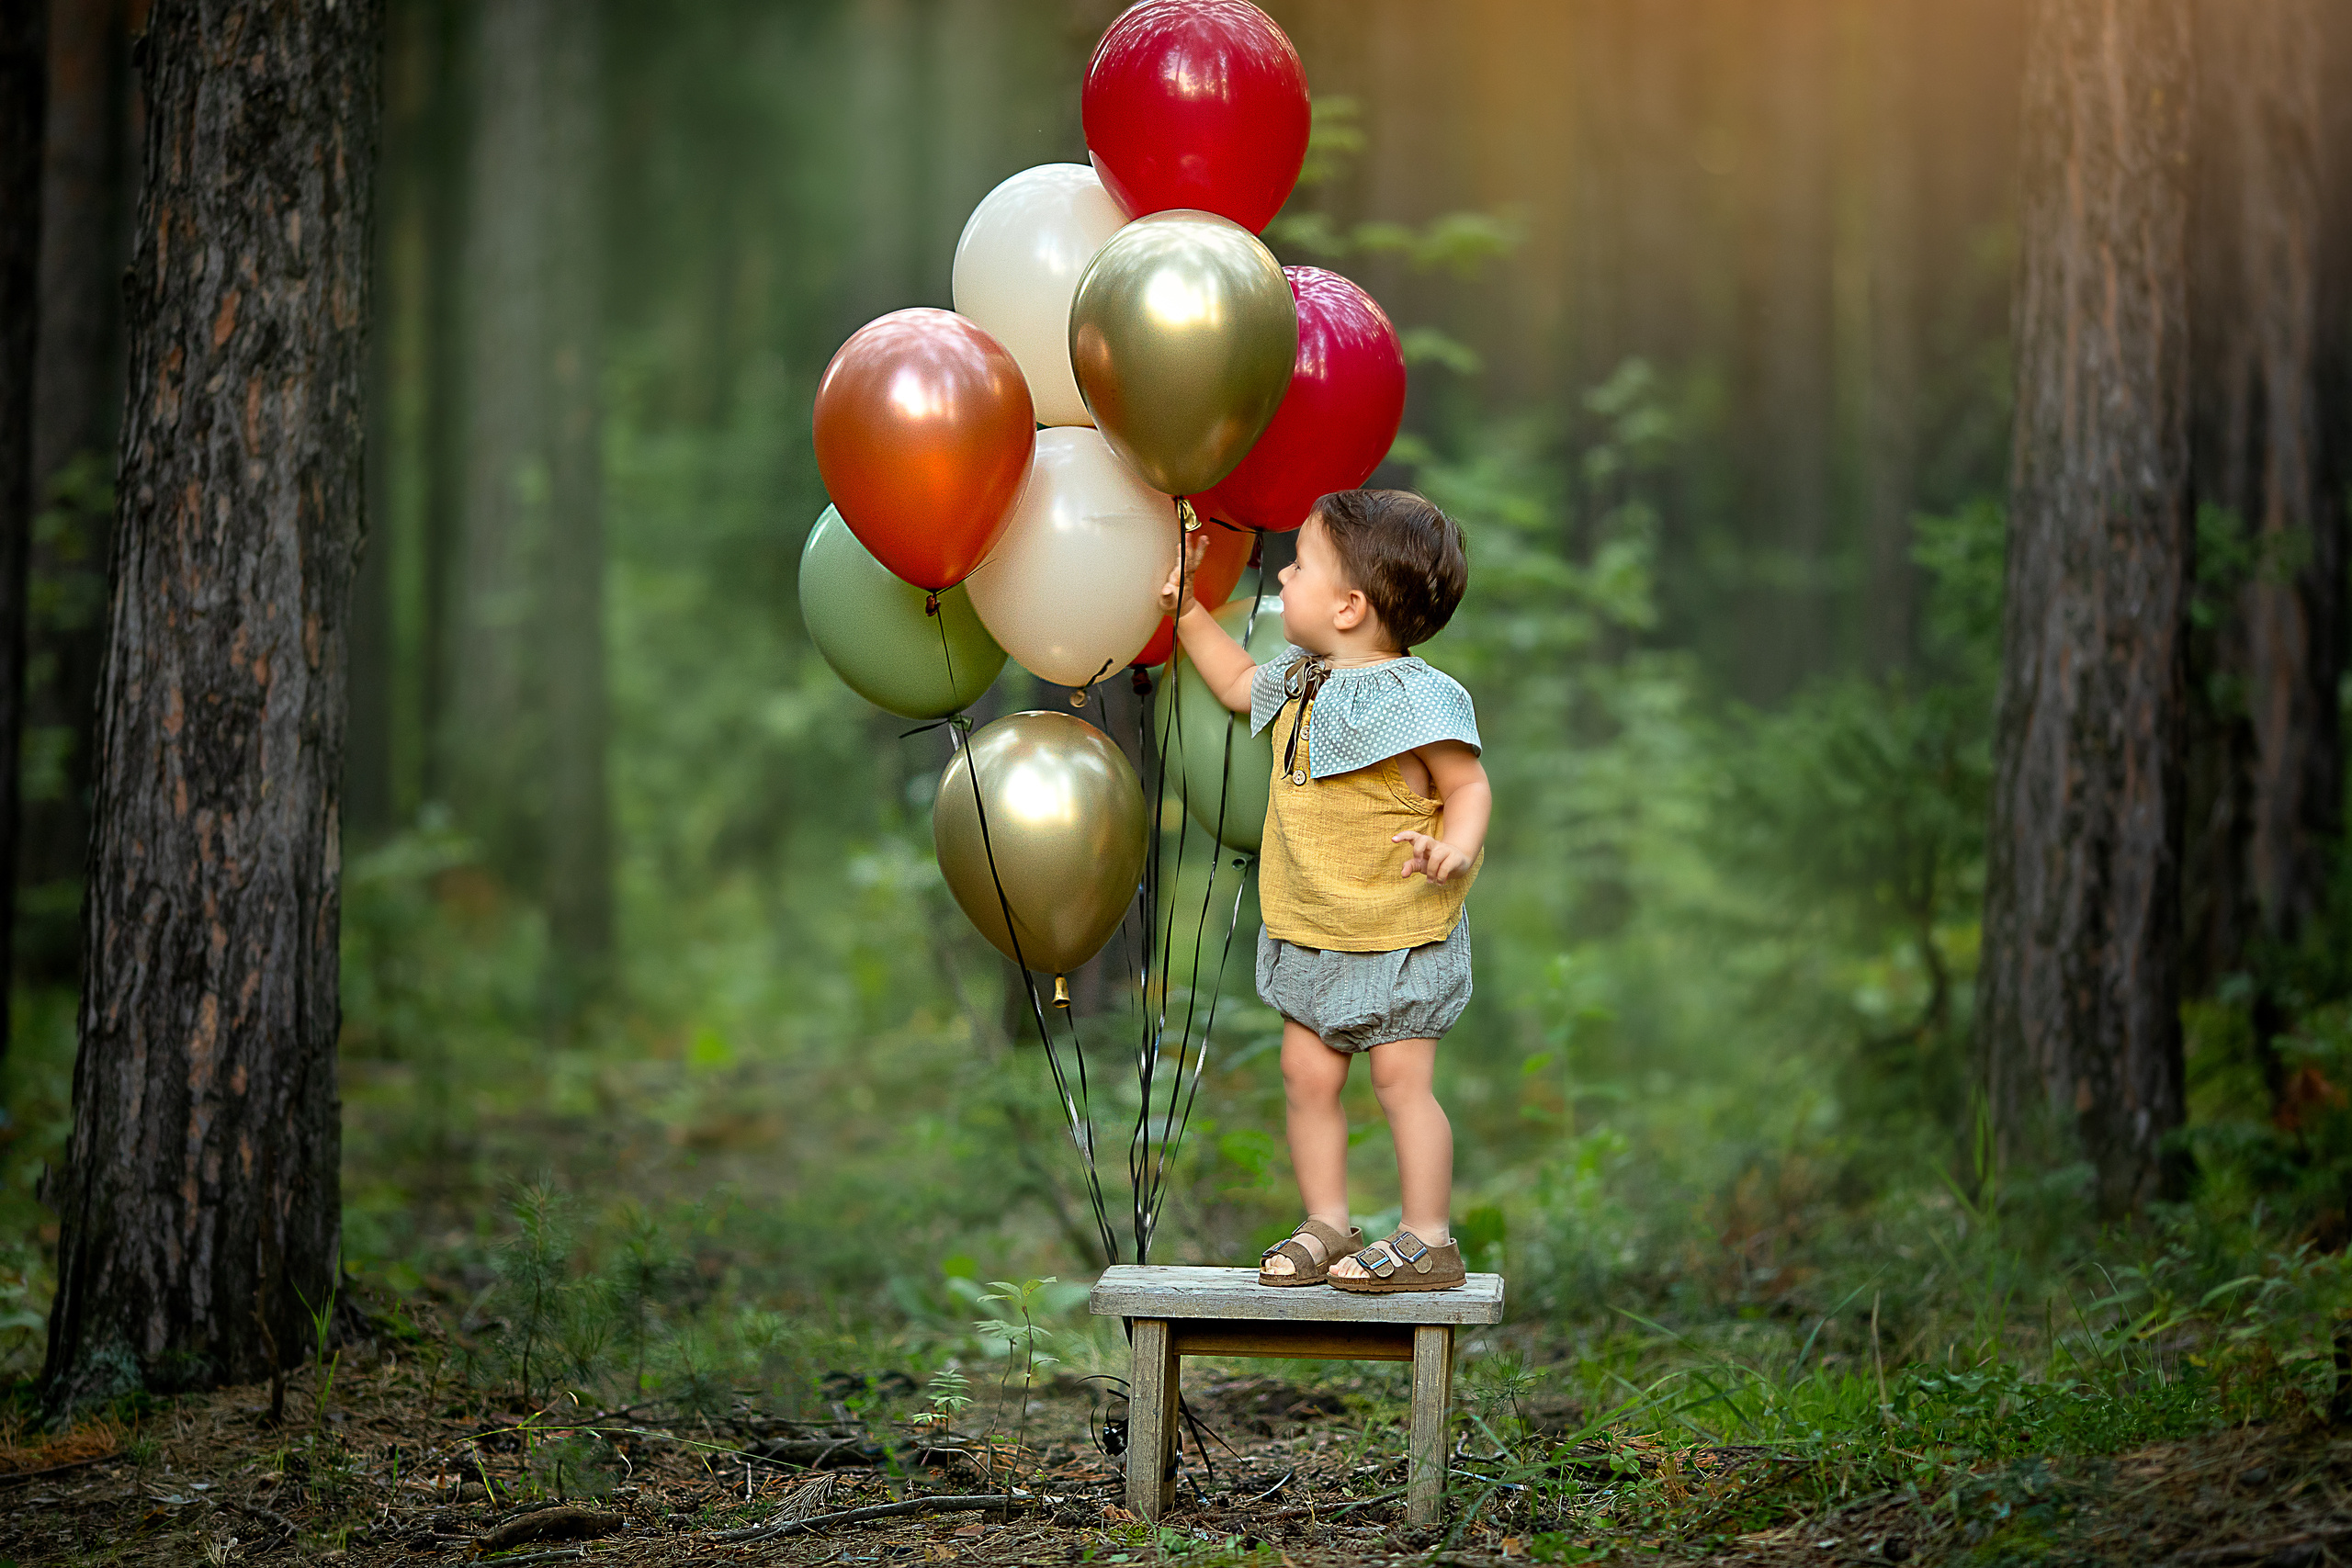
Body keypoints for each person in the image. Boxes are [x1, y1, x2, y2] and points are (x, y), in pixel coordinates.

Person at [1158, 489, 1489, 1293]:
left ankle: (1428, 1235)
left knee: (1400, 1084)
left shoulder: (1419, 699)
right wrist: (1187, 610)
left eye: (1299, 566)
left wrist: (1454, 846)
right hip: (1310, 929)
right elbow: (1237, 684)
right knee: (1307, 1080)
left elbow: (1469, 783)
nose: (1282, 578)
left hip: (1398, 934)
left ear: (1348, 606)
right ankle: (1328, 1220)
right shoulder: (1301, 680)